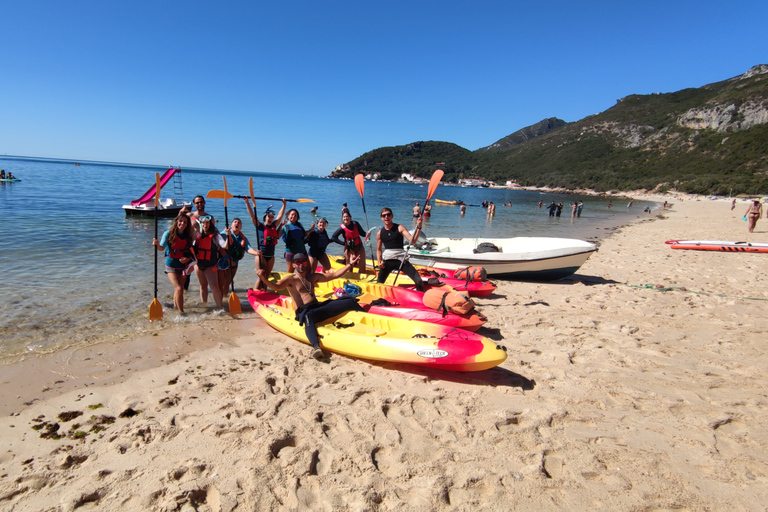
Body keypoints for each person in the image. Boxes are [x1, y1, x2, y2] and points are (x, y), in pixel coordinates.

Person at [256, 253, 364, 360]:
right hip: (304, 312)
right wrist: (263, 278)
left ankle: (369, 317)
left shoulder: (312, 277)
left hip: (317, 307)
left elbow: (335, 275)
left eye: (303, 261)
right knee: (309, 316)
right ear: (293, 265)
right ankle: (317, 347)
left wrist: (350, 264)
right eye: (298, 262)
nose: (301, 264)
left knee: (349, 300)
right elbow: (276, 286)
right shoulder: (290, 280)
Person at [152, 214, 195, 315]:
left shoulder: (188, 236)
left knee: (178, 289)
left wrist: (188, 258)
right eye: (180, 221)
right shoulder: (168, 233)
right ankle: (182, 312)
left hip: (183, 266)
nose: (182, 224)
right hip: (171, 265)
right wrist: (157, 244)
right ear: (176, 221)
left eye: (185, 222)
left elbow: (191, 252)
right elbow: (161, 248)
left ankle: (176, 307)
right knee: (179, 288)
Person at [376, 207, 425, 292]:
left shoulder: (400, 228)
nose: (386, 217)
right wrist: (379, 261)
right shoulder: (379, 233)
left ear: (392, 216)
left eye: (388, 215)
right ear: (381, 218)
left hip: (401, 261)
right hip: (387, 262)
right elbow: (379, 250)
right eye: (384, 216)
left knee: (419, 281)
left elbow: (413, 240)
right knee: (379, 284)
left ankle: (421, 296)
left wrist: (419, 227)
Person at [245, 197, 287, 290]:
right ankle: (255, 294)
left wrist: (284, 205)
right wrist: (247, 203)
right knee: (261, 277)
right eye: (269, 216)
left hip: (271, 256)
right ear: (265, 217)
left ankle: (264, 294)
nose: (271, 219)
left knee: (266, 278)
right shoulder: (260, 226)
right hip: (261, 255)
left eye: (272, 217)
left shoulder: (274, 226)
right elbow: (252, 216)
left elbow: (280, 216)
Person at [218, 217, 260, 298]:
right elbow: (221, 249)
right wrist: (228, 260)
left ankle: (225, 297)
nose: (237, 223)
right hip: (223, 261)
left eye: (239, 223)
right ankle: (220, 299)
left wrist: (256, 253)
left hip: (234, 263)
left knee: (228, 282)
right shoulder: (224, 234)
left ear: (241, 227)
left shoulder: (242, 238)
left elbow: (248, 248)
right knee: (222, 282)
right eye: (235, 222)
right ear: (231, 225)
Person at [194, 215, 228, 309]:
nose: (205, 225)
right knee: (203, 286)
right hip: (198, 265)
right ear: (200, 224)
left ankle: (220, 307)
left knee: (214, 286)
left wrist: (228, 236)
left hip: (210, 265)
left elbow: (225, 246)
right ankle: (204, 306)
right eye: (203, 223)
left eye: (207, 222)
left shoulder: (215, 235)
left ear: (210, 224)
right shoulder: (197, 235)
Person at [282, 208, 308, 273]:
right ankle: (289, 283)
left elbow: (305, 234)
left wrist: (312, 229)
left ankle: (301, 282)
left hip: (302, 251)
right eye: (292, 214)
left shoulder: (299, 225)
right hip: (291, 252)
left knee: (304, 270)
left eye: (295, 215)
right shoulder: (285, 226)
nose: (293, 216)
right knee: (290, 271)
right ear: (288, 216)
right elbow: (278, 236)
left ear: (297, 218)